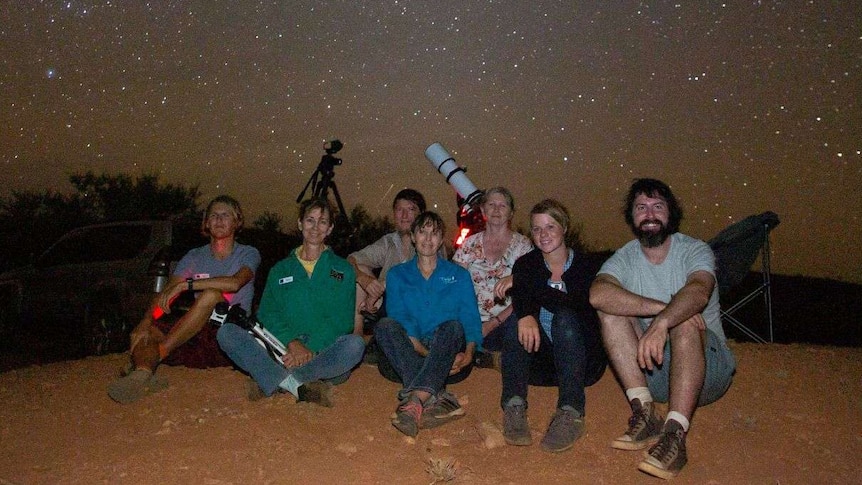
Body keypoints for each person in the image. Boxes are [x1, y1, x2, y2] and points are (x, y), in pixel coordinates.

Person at [589, 178, 736, 479]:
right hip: (656, 373)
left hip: (708, 371)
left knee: (684, 321)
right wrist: (661, 312)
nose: (650, 214)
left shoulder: (694, 249)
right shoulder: (625, 257)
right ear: (632, 217)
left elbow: (697, 290)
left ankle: (675, 435)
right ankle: (645, 413)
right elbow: (598, 294)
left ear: (671, 214)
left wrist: (669, 320)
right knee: (610, 311)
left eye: (658, 206)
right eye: (641, 208)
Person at [108, 195, 261, 404]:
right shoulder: (194, 256)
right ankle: (142, 375)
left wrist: (187, 285)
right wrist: (145, 322)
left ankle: (159, 354)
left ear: (237, 221)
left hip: (228, 332)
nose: (219, 219)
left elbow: (235, 283)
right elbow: (166, 295)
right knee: (149, 332)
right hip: (197, 328)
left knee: (212, 295)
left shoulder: (248, 253)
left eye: (225, 215)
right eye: (213, 215)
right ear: (206, 223)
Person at [217, 198, 365, 407]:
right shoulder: (280, 270)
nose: (315, 227)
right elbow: (267, 313)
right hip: (282, 349)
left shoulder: (344, 270)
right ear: (300, 224)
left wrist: (308, 350)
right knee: (226, 332)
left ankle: (277, 379)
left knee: (354, 345)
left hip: (321, 353)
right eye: (310, 220)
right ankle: (297, 385)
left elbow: (342, 320)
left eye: (322, 222)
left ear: (330, 228)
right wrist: (292, 344)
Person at [501, 199, 607, 453]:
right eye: (536, 229)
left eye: (550, 227)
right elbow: (522, 301)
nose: (543, 235)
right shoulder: (526, 265)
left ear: (565, 227)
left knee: (565, 317)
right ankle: (514, 406)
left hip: (581, 364)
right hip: (543, 365)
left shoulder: (587, 265)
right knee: (516, 320)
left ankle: (571, 411)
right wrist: (524, 309)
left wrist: (525, 285)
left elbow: (577, 303)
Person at [374, 211, 482, 437]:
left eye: (434, 233)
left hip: (449, 356)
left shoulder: (458, 275)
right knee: (385, 325)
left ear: (441, 239)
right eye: (422, 232)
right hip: (410, 354)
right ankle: (437, 397)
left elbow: (470, 317)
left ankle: (414, 402)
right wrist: (428, 356)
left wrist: (470, 353)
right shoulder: (397, 274)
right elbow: (401, 319)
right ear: (413, 236)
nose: (428, 239)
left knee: (452, 326)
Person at [453, 187, 532, 368]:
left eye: (502, 205)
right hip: (469, 320)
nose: (496, 210)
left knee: (517, 326)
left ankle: (481, 354)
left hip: (503, 320)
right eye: (491, 204)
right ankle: (482, 355)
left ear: (511, 213)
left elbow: (526, 294)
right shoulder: (469, 244)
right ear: (482, 210)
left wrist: (492, 324)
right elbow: (454, 285)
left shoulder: (523, 246)